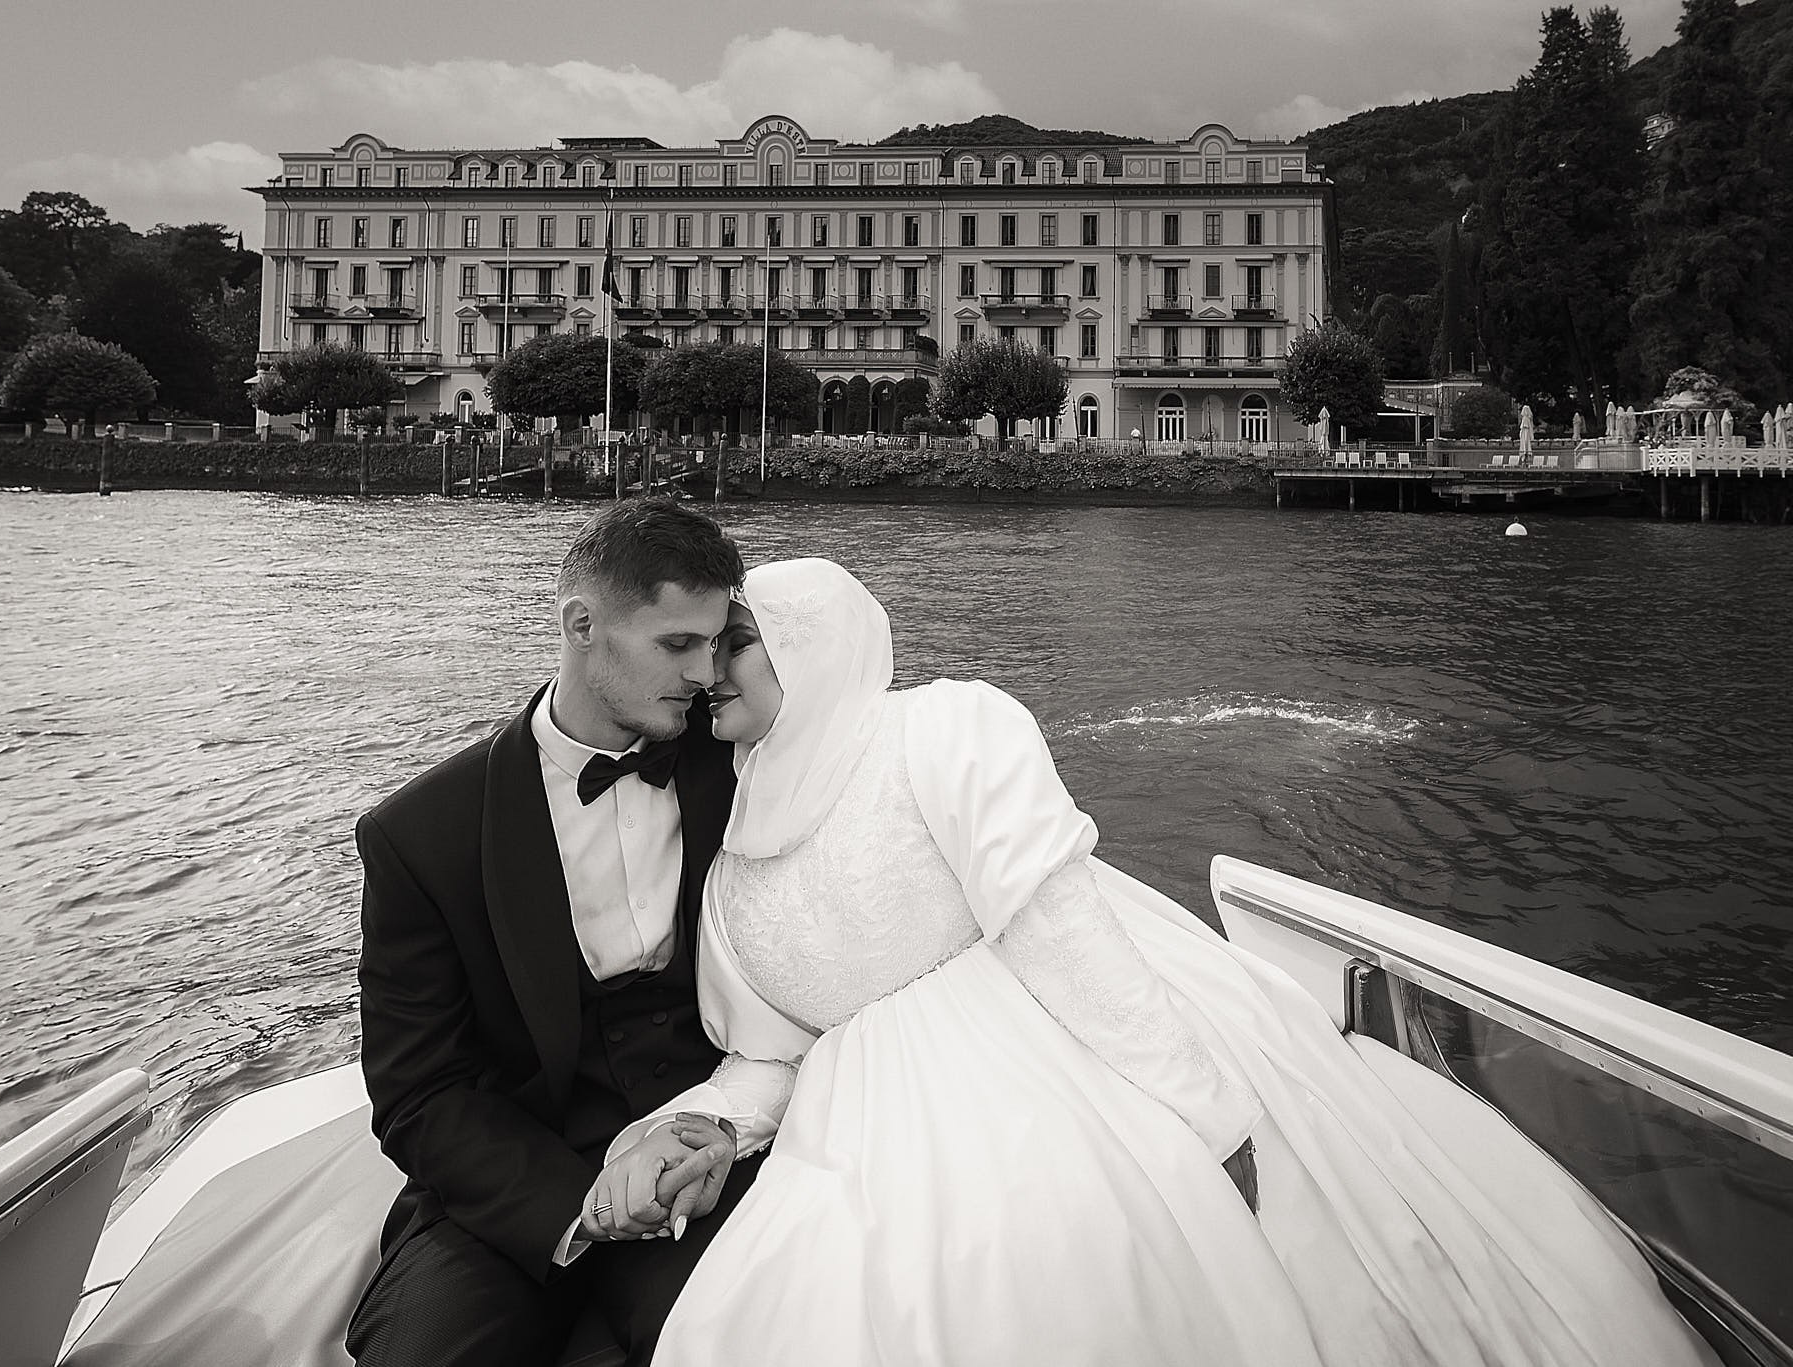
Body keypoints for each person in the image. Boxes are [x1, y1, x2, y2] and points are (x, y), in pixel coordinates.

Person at [632, 557, 1716, 1366]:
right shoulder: (727, 872)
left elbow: (1063, 934)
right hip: (869, 1141)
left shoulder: (943, 728)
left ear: (813, 643)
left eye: (733, 640)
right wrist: (707, 1129)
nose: (704, 669)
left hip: (1077, 1061)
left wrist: (1209, 1121)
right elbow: (768, 1056)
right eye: (695, 647)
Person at [347, 498, 768, 1367]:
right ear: (582, 625)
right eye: (677, 644)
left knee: (739, 1340)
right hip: (517, 1186)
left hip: (707, 1153)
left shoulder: (743, 766)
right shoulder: (421, 832)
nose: (706, 673)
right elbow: (419, 1090)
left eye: (718, 642)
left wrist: (716, 1132)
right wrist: (580, 1207)